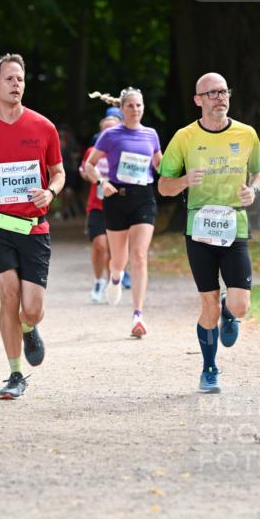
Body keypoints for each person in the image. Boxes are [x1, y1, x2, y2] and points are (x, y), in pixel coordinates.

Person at [0, 53, 65, 399]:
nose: (16, 84)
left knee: (32, 308)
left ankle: (28, 327)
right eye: (9, 79)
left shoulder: (43, 127)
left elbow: (59, 173)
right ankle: (15, 374)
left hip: (34, 228)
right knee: (8, 296)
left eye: (20, 79)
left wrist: (49, 192)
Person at [158, 72, 260, 393]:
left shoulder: (247, 134)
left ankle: (229, 313)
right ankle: (209, 369)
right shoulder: (184, 137)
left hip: (235, 228)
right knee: (207, 308)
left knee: (241, 305)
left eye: (224, 92)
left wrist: (254, 191)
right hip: (199, 231)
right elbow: (164, 186)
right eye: (212, 93)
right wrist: (184, 181)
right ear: (198, 100)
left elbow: (258, 171)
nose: (220, 97)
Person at [84, 87, 162, 337]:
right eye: (130, 106)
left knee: (139, 255)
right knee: (119, 261)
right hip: (116, 198)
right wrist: (101, 183)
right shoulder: (110, 135)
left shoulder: (151, 135)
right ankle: (115, 277)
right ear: (122, 109)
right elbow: (90, 164)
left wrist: (178, 172)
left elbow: (161, 165)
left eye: (139, 106)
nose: (136, 110)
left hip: (144, 198)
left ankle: (138, 315)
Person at [79, 112, 121, 303]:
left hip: (119, 205)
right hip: (96, 205)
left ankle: (114, 280)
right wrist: (96, 179)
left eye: (112, 129)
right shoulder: (92, 151)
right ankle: (98, 281)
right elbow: (83, 171)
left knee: (115, 250)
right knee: (99, 245)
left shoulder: (124, 150)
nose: (109, 132)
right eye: (105, 130)